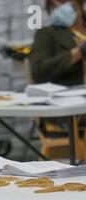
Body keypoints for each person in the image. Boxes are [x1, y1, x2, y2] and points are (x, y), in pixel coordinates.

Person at [30, 0, 86, 137]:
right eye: (53, 6)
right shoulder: (47, 34)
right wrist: (78, 53)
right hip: (69, 107)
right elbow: (39, 72)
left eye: (62, 3)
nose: (59, 9)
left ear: (79, 5)